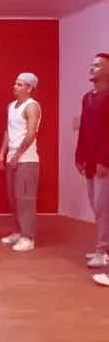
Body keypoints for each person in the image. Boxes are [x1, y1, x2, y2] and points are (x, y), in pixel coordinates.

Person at [0, 72, 41, 252]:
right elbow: (8, 132)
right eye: (15, 83)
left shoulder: (32, 107)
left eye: (20, 84)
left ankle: (28, 237)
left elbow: (31, 134)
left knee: (25, 198)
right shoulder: (11, 106)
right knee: (13, 197)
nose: (15, 87)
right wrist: (2, 154)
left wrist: (17, 156)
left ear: (30, 88)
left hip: (26, 159)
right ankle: (17, 231)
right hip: (12, 158)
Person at [76, 53, 109, 270]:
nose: (92, 68)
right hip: (89, 161)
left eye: (97, 65)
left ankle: (102, 250)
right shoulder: (87, 98)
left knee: (103, 206)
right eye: (92, 64)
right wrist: (79, 156)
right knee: (96, 206)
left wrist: (104, 159)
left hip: (103, 161)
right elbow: (84, 129)